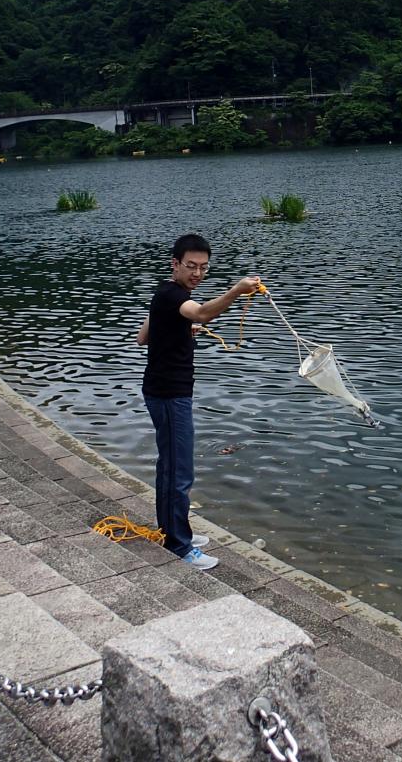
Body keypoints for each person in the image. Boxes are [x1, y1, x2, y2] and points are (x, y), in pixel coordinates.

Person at [137, 234, 260, 569]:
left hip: (160, 391)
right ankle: (180, 545)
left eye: (203, 267)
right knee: (180, 470)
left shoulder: (166, 294)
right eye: (191, 266)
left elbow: (142, 337)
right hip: (169, 394)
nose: (197, 273)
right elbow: (204, 314)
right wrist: (237, 290)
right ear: (175, 263)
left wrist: (178, 328)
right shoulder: (173, 294)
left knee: (169, 464)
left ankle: (171, 530)